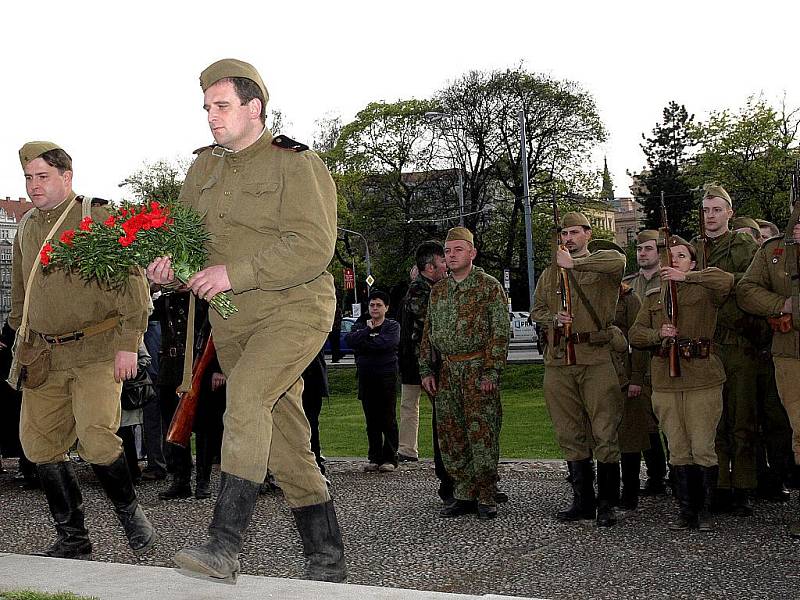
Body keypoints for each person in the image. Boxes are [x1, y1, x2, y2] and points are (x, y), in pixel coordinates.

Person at [145, 59, 345, 582]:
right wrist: (168, 268)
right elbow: (190, 248)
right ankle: (327, 560)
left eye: (222, 106)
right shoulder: (200, 170)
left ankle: (223, 543)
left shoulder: (295, 164)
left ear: (254, 108)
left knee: (248, 397)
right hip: (234, 322)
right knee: (285, 442)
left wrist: (237, 271)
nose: (211, 117)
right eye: (207, 108)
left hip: (295, 309)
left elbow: (313, 247)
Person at [10, 141, 154, 559]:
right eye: (28, 178)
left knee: (96, 437)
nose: (34, 186)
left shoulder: (97, 215)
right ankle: (73, 537)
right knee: (37, 444)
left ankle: (129, 513)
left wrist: (129, 345)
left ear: (66, 177)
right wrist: (20, 339)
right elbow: (22, 296)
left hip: (97, 350)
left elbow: (134, 285)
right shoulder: (25, 228)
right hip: (44, 355)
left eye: (43, 177)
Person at [630, 236, 733, 531]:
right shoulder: (653, 297)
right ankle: (686, 510)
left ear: (692, 262)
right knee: (677, 447)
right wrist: (656, 334)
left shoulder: (705, 289)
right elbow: (635, 334)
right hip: (665, 380)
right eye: (670, 257)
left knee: (702, 446)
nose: (674, 261)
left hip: (701, 378)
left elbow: (726, 281)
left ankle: (704, 512)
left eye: (681, 256)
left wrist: (687, 276)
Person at [531, 212, 625, 527]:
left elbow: (617, 262)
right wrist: (553, 318)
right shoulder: (549, 274)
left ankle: (608, 502)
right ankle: (583, 501)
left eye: (574, 232)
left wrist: (575, 265)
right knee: (569, 432)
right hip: (559, 359)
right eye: (564, 234)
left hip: (595, 356)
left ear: (587, 233)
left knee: (604, 431)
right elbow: (536, 310)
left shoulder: (602, 263)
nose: (569, 239)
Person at [419, 227, 509, 520]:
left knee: (481, 433)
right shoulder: (439, 291)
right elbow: (428, 333)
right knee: (451, 434)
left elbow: (499, 333)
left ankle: (486, 493)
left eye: (458, 250)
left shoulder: (488, 287)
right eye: (447, 251)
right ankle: (462, 492)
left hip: (477, 369)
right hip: (448, 371)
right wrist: (427, 369)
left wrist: (491, 372)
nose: (451, 256)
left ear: (472, 253)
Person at [691, 184, 759, 516]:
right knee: (712, 420)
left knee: (741, 418)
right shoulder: (695, 247)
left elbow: (750, 281)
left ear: (729, 213)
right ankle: (718, 485)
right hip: (707, 341)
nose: (711, 216)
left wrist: (712, 278)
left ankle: (744, 485)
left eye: (717, 210)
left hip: (737, 339)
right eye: (706, 210)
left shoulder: (742, 243)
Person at [737, 214, 800, 535]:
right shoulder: (775, 251)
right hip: (789, 353)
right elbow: (747, 290)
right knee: (798, 431)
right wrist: (783, 304)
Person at [589, 239, 649, 511]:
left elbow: (639, 341)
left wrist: (637, 378)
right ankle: (603, 492)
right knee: (602, 433)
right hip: (597, 371)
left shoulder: (629, 298)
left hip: (625, 374)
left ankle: (632, 490)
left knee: (629, 435)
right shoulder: (588, 296)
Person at [622, 230, 669, 496]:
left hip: (666, 362)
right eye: (639, 249)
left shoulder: (670, 282)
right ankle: (656, 476)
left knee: (672, 426)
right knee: (646, 425)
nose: (642, 253)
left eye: (648, 249)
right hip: (640, 366)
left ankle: (679, 475)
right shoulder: (629, 286)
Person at [398, 242, 447, 463]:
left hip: (417, 359)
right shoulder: (420, 290)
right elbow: (430, 325)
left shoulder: (424, 287)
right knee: (425, 405)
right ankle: (410, 449)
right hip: (421, 361)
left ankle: (409, 449)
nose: (446, 266)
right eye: (442, 262)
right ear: (429, 267)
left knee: (412, 405)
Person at [346, 289, 401, 472]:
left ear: (386, 307)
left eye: (379, 305)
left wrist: (366, 344)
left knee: (388, 418)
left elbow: (387, 344)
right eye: (372, 305)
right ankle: (375, 457)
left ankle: (390, 457)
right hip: (366, 377)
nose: (375, 308)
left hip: (386, 377)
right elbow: (351, 341)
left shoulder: (392, 326)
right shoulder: (361, 324)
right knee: (372, 420)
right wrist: (368, 331)